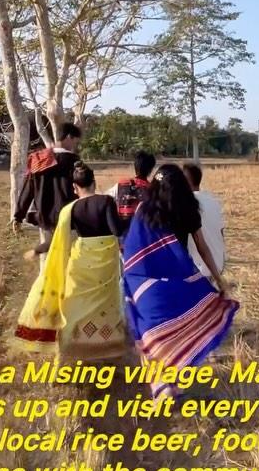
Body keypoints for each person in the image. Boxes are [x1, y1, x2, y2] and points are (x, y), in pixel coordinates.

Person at [122, 163, 239, 396]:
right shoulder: (188, 209)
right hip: (180, 281)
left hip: (149, 285)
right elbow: (202, 248)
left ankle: (161, 386)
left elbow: (132, 250)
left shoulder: (144, 211)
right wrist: (219, 280)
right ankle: (172, 382)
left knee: (152, 334)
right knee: (180, 330)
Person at [14, 162, 128, 360]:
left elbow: (56, 239)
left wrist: (36, 250)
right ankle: (102, 349)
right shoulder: (106, 202)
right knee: (103, 307)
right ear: (94, 182)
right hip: (104, 268)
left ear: (75, 188)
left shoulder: (70, 209)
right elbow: (117, 230)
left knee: (74, 308)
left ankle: (67, 349)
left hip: (81, 264)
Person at [12, 122, 81, 265]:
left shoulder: (39, 159)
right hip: (68, 218)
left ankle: (45, 283)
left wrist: (18, 216)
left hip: (44, 218)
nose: (74, 146)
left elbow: (28, 190)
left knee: (47, 258)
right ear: (68, 137)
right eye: (75, 141)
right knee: (67, 259)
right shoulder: (75, 162)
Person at [182, 162, 226, 281]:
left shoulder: (186, 203)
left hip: (200, 268)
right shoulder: (214, 201)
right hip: (218, 264)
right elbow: (221, 234)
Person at [106, 150, 156, 236]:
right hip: (143, 234)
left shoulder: (120, 184)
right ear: (150, 170)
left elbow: (106, 199)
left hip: (124, 233)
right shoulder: (152, 189)